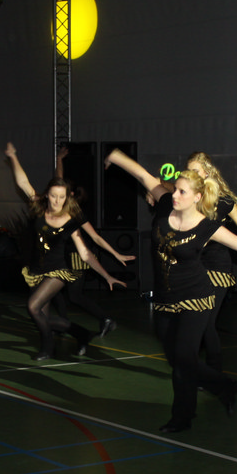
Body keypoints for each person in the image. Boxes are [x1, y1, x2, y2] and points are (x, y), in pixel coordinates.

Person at [105, 147, 237, 432]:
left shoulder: (206, 226)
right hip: (166, 298)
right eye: (175, 189)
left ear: (198, 197)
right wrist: (115, 156)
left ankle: (182, 417)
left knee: (184, 359)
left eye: (182, 192)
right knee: (176, 358)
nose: (175, 195)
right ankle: (224, 384)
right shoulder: (164, 205)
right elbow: (142, 175)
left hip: (196, 298)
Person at [5, 143, 125, 361]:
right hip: (36, 270)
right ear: (47, 195)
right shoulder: (39, 207)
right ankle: (81, 333)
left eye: (61, 197)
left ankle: (47, 348)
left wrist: (107, 275)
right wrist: (13, 157)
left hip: (57, 271)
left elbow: (86, 253)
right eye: (53, 196)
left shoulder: (70, 221)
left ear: (67, 197)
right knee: (42, 315)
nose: (57, 201)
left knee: (32, 307)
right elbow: (23, 183)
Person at [183, 151, 237, 372]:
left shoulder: (223, 201)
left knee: (206, 323)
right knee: (192, 321)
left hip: (217, 267)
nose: (192, 174)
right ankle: (195, 368)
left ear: (207, 172)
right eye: (188, 171)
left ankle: (214, 372)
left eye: (196, 170)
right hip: (195, 267)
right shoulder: (188, 199)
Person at [53, 145, 135, 338]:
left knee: (71, 294)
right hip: (63, 257)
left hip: (76, 256)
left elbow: (95, 237)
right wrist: (59, 160)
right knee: (59, 292)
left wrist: (115, 254)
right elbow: (58, 179)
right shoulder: (58, 207)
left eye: (63, 193)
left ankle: (103, 319)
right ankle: (67, 325)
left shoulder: (74, 211)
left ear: (70, 195)